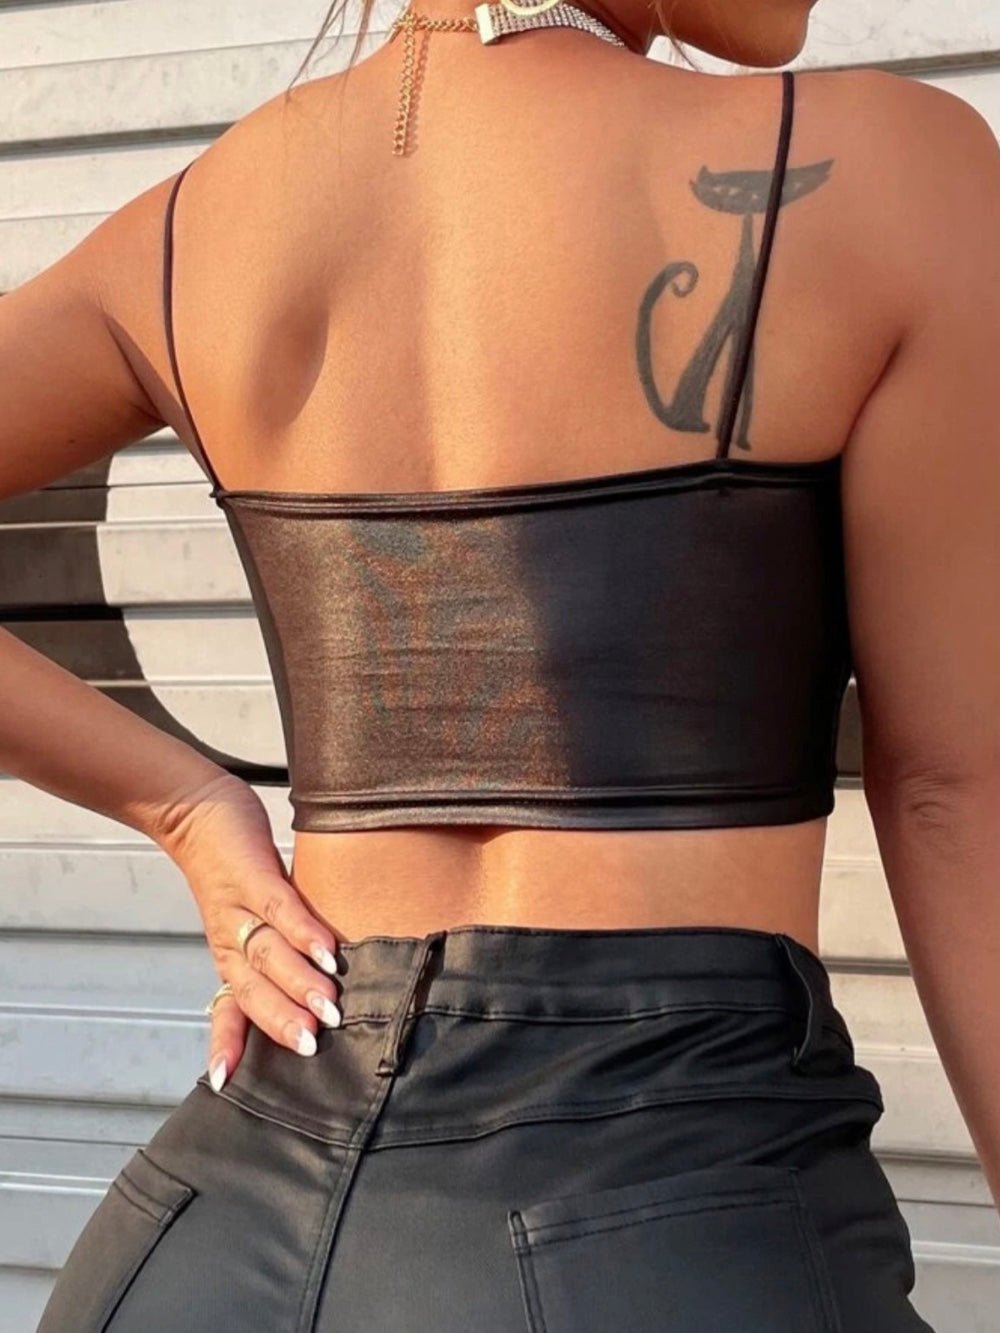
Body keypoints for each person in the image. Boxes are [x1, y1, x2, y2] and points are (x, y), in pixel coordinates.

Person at [3, 0, 997, 1327]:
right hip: (664, 1220)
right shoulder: (892, 169)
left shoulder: (199, 225)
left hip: (202, 1230)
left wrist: (187, 810)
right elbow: (952, 795)